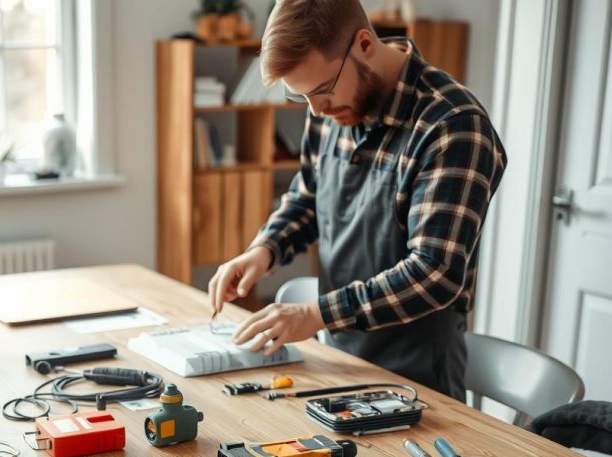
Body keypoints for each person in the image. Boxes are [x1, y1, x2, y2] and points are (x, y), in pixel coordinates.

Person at [207, 0, 507, 401]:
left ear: (364, 43)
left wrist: (316, 315)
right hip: (338, 358)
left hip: (417, 374)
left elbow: (435, 273)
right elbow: (310, 194)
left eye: (322, 90)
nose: (317, 110)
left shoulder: (453, 126)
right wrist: (265, 249)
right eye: (301, 98)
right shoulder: (330, 105)